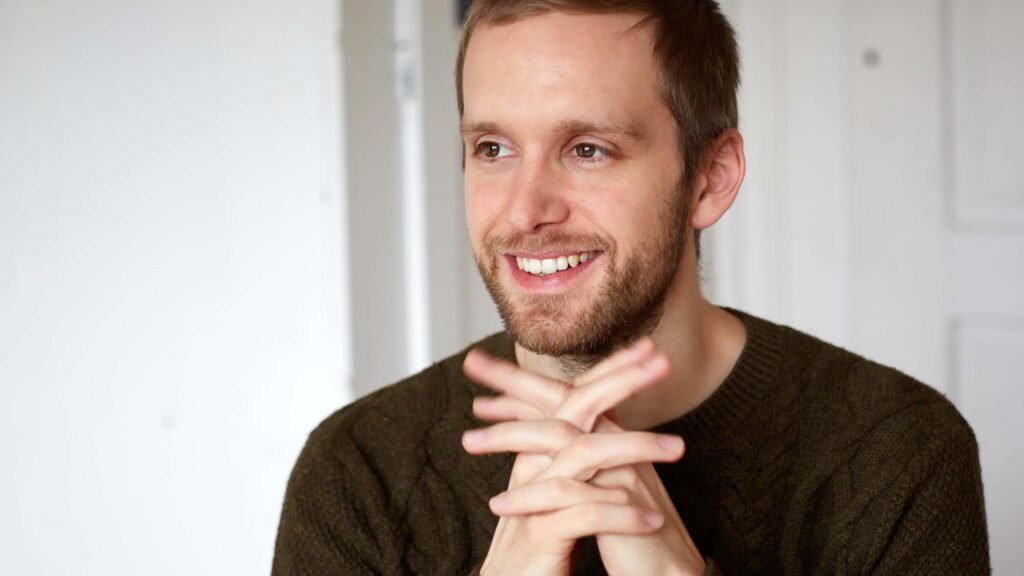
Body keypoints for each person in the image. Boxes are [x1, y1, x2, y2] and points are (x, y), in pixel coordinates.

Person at [273, 1, 990, 574]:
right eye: (493, 148)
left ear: (710, 179)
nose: (524, 211)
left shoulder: (898, 452)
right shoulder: (358, 473)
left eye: (588, 149)